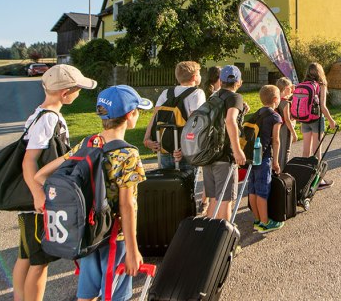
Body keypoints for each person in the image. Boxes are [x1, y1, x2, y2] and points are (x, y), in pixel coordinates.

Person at [34, 85, 152, 301]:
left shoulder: (88, 142)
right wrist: (133, 251)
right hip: (114, 237)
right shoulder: (128, 154)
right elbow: (127, 206)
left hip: (87, 235)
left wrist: (47, 198)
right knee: (116, 295)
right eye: (138, 111)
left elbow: (40, 175)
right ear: (130, 115)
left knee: (86, 295)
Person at [14, 64, 96, 301]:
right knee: (40, 262)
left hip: (31, 201)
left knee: (26, 255)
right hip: (40, 202)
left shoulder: (38, 113)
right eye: (78, 89)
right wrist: (39, 193)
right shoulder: (49, 119)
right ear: (65, 93)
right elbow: (29, 161)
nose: (80, 92)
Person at [143, 61, 206, 176]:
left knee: (168, 188)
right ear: (194, 77)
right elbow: (195, 123)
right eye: (199, 73)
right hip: (184, 151)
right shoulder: (197, 93)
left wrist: (147, 139)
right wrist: (186, 149)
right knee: (187, 188)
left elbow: (154, 117)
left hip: (164, 148)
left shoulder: (166, 93)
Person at [203, 65, 248, 220]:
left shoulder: (213, 97)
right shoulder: (235, 97)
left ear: (220, 80)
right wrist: (237, 150)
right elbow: (230, 120)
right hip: (224, 156)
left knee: (214, 200)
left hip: (209, 155)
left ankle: (210, 237)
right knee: (226, 201)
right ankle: (224, 240)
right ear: (239, 82)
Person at [248, 85, 285, 232]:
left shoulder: (257, 113)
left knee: (253, 189)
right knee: (263, 189)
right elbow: (276, 140)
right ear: (275, 100)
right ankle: (265, 222)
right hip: (263, 157)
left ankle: (257, 219)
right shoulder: (275, 116)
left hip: (252, 157)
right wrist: (276, 161)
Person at [300, 62, 337, 189]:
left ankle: (303, 178)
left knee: (306, 151)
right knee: (317, 153)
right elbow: (323, 106)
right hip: (316, 120)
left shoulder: (303, 84)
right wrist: (331, 121)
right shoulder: (321, 85)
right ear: (320, 72)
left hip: (304, 120)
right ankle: (318, 181)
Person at [275, 77, 297, 172]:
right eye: (290, 87)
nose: (291, 89)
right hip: (286, 128)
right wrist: (294, 133)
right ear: (285, 88)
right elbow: (287, 119)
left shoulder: (278, 99)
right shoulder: (285, 103)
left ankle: (278, 170)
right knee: (286, 151)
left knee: (280, 150)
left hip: (279, 127)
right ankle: (284, 172)